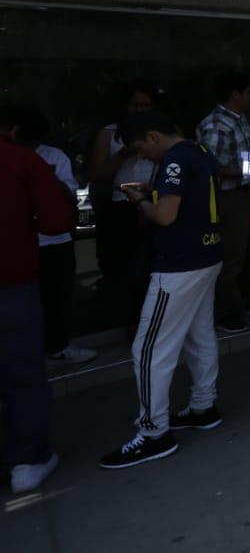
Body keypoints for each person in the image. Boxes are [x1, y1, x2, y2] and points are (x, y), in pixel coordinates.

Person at [100, 112, 224, 470]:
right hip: (207, 254)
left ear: (153, 136)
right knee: (199, 335)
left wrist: (139, 199)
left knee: (148, 348)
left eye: (140, 147)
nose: (141, 156)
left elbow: (167, 215)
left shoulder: (175, 159)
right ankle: (203, 406)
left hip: (179, 264)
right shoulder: (200, 151)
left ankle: (154, 433)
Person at [1, 113, 74, 493]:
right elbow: (55, 221)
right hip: (12, 285)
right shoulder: (20, 161)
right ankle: (27, 459)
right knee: (22, 374)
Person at [9, 109, 97, 365]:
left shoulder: (53, 156)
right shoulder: (9, 157)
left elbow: (70, 195)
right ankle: (25, 353)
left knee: (58, 297)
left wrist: (45, 176)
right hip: (20, 240)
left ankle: (58, 346)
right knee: (21, 300)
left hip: (55, 241)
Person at [89, 82, 158, 329]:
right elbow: (97, 173)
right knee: (127, 269)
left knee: (155, 265)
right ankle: (132, 323)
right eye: (134, 104)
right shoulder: (110, 133)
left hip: (157, 202)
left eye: (145, 105)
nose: (139, 109)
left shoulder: (161, 132)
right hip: (122, 207)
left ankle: (157, 320)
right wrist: (124, 154)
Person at [196, 71, 250, 335]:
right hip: (229, 198)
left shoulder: (239, 119)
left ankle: (247, 300)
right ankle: (225, 314)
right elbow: (211, 167)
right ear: (236, 93)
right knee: (230, 256)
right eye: (248, 92)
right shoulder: (216, 124)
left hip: (247, 193)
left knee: (246, 251)